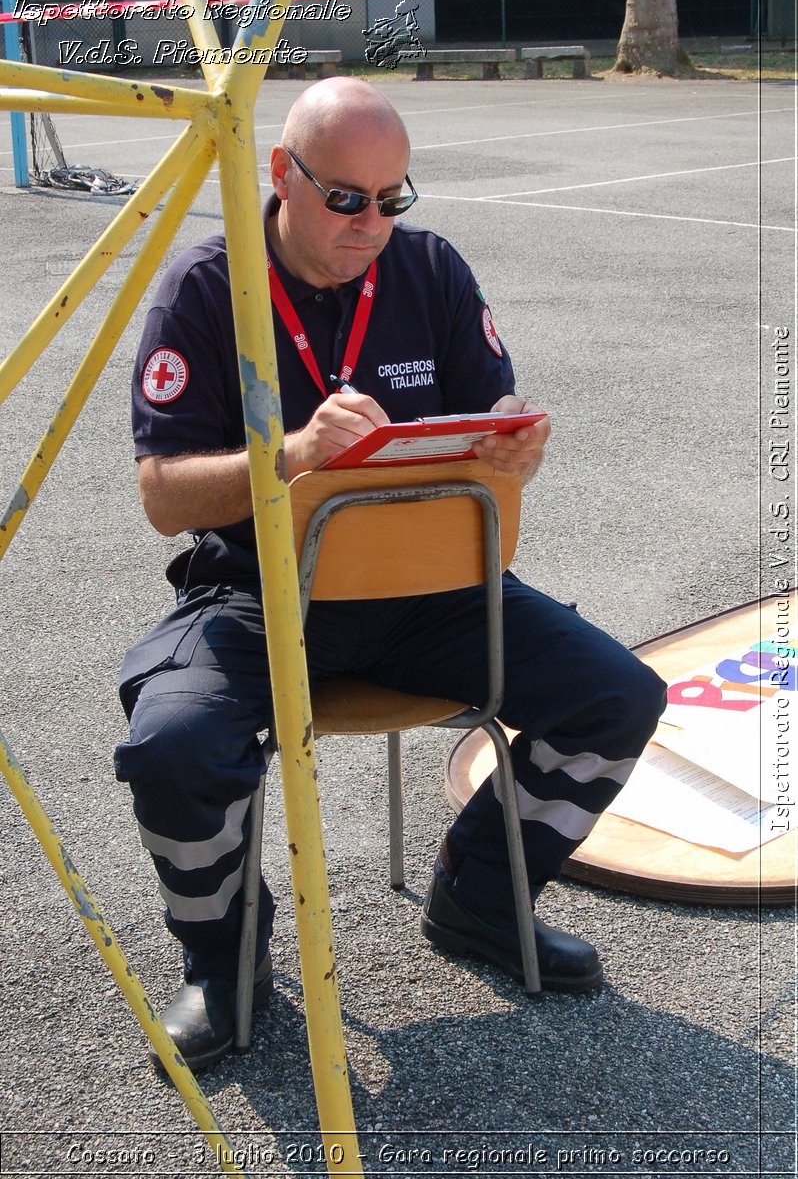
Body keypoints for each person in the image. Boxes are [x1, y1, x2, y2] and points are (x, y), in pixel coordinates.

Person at [115, 77, 666, 1073]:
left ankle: (481, 898)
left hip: (428, 592)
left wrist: (515, 447)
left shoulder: (430, 271)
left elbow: (491, 411)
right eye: (346, 198)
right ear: (281, 176)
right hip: (258, 592)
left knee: (618, 696)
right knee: (172, 748)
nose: (373, 223)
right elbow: (163, 494)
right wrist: (288, 455)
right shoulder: (210, 285)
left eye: (393, 197)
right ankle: (224, 963)